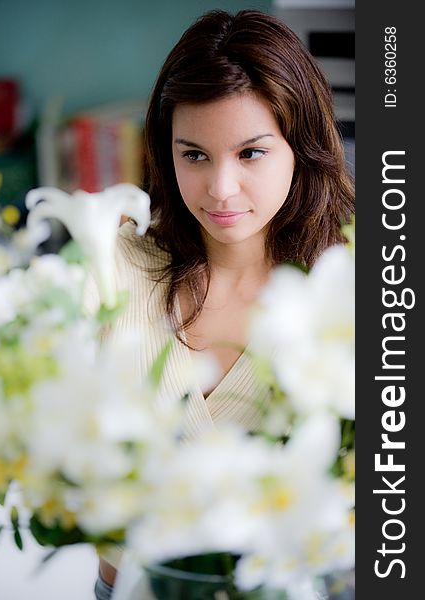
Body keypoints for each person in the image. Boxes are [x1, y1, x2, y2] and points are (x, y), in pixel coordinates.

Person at [93, 8, 355, 599]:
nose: (221, 189)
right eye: (195, 154)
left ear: (301, 148)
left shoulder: (353, 298)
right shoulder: (113, 267)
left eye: (252, 153)